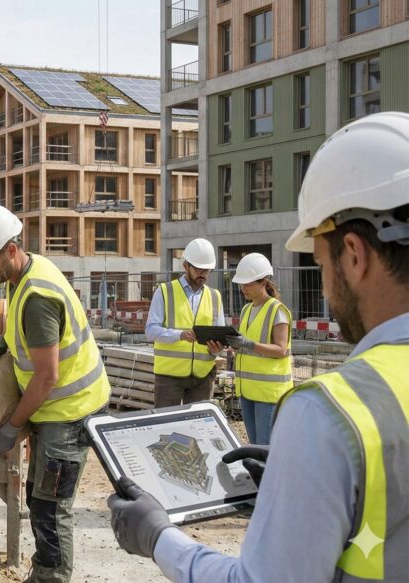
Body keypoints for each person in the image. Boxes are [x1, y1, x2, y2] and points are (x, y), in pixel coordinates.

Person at [107, 111, 409, 582]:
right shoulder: (173, 294)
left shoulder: (331, 415)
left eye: (320, 262)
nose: (325, 285)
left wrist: (158, 537)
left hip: (225, 384)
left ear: (353, 254)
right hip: (178, 376)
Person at [0, 204, 111, 583]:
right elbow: (27, 337)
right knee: (38, 496)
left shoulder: (39, 298)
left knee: (51, 507)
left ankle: (52, 577)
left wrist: (12, 426)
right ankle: (45, 570)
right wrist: (5, 344)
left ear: (10, 249)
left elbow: (45, 376)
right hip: (54, 408)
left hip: (69, 412)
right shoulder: (21, 274)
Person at [145, 238, 226, 407]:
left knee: (197, 428)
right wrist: (179, 335)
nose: (202, 274)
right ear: (186, 266)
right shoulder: (165, 291)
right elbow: (151, 330)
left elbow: (220, 333)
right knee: (166, 425)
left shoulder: (214, 296)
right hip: (169, 376)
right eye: (198, 269)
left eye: (207, 270)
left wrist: (217, 349)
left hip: (202, 376)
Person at [224, 253, 291, 445]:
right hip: (247, 391)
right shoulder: (246, 310)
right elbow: (247, 347)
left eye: (248, 284)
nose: (243, 288)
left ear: (264, 281)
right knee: (255, 448)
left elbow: (280, 349)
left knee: (265, 451)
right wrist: (235, 346)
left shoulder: (276, 310)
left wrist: (248, 344)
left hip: (268, 394)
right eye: (241, 284)